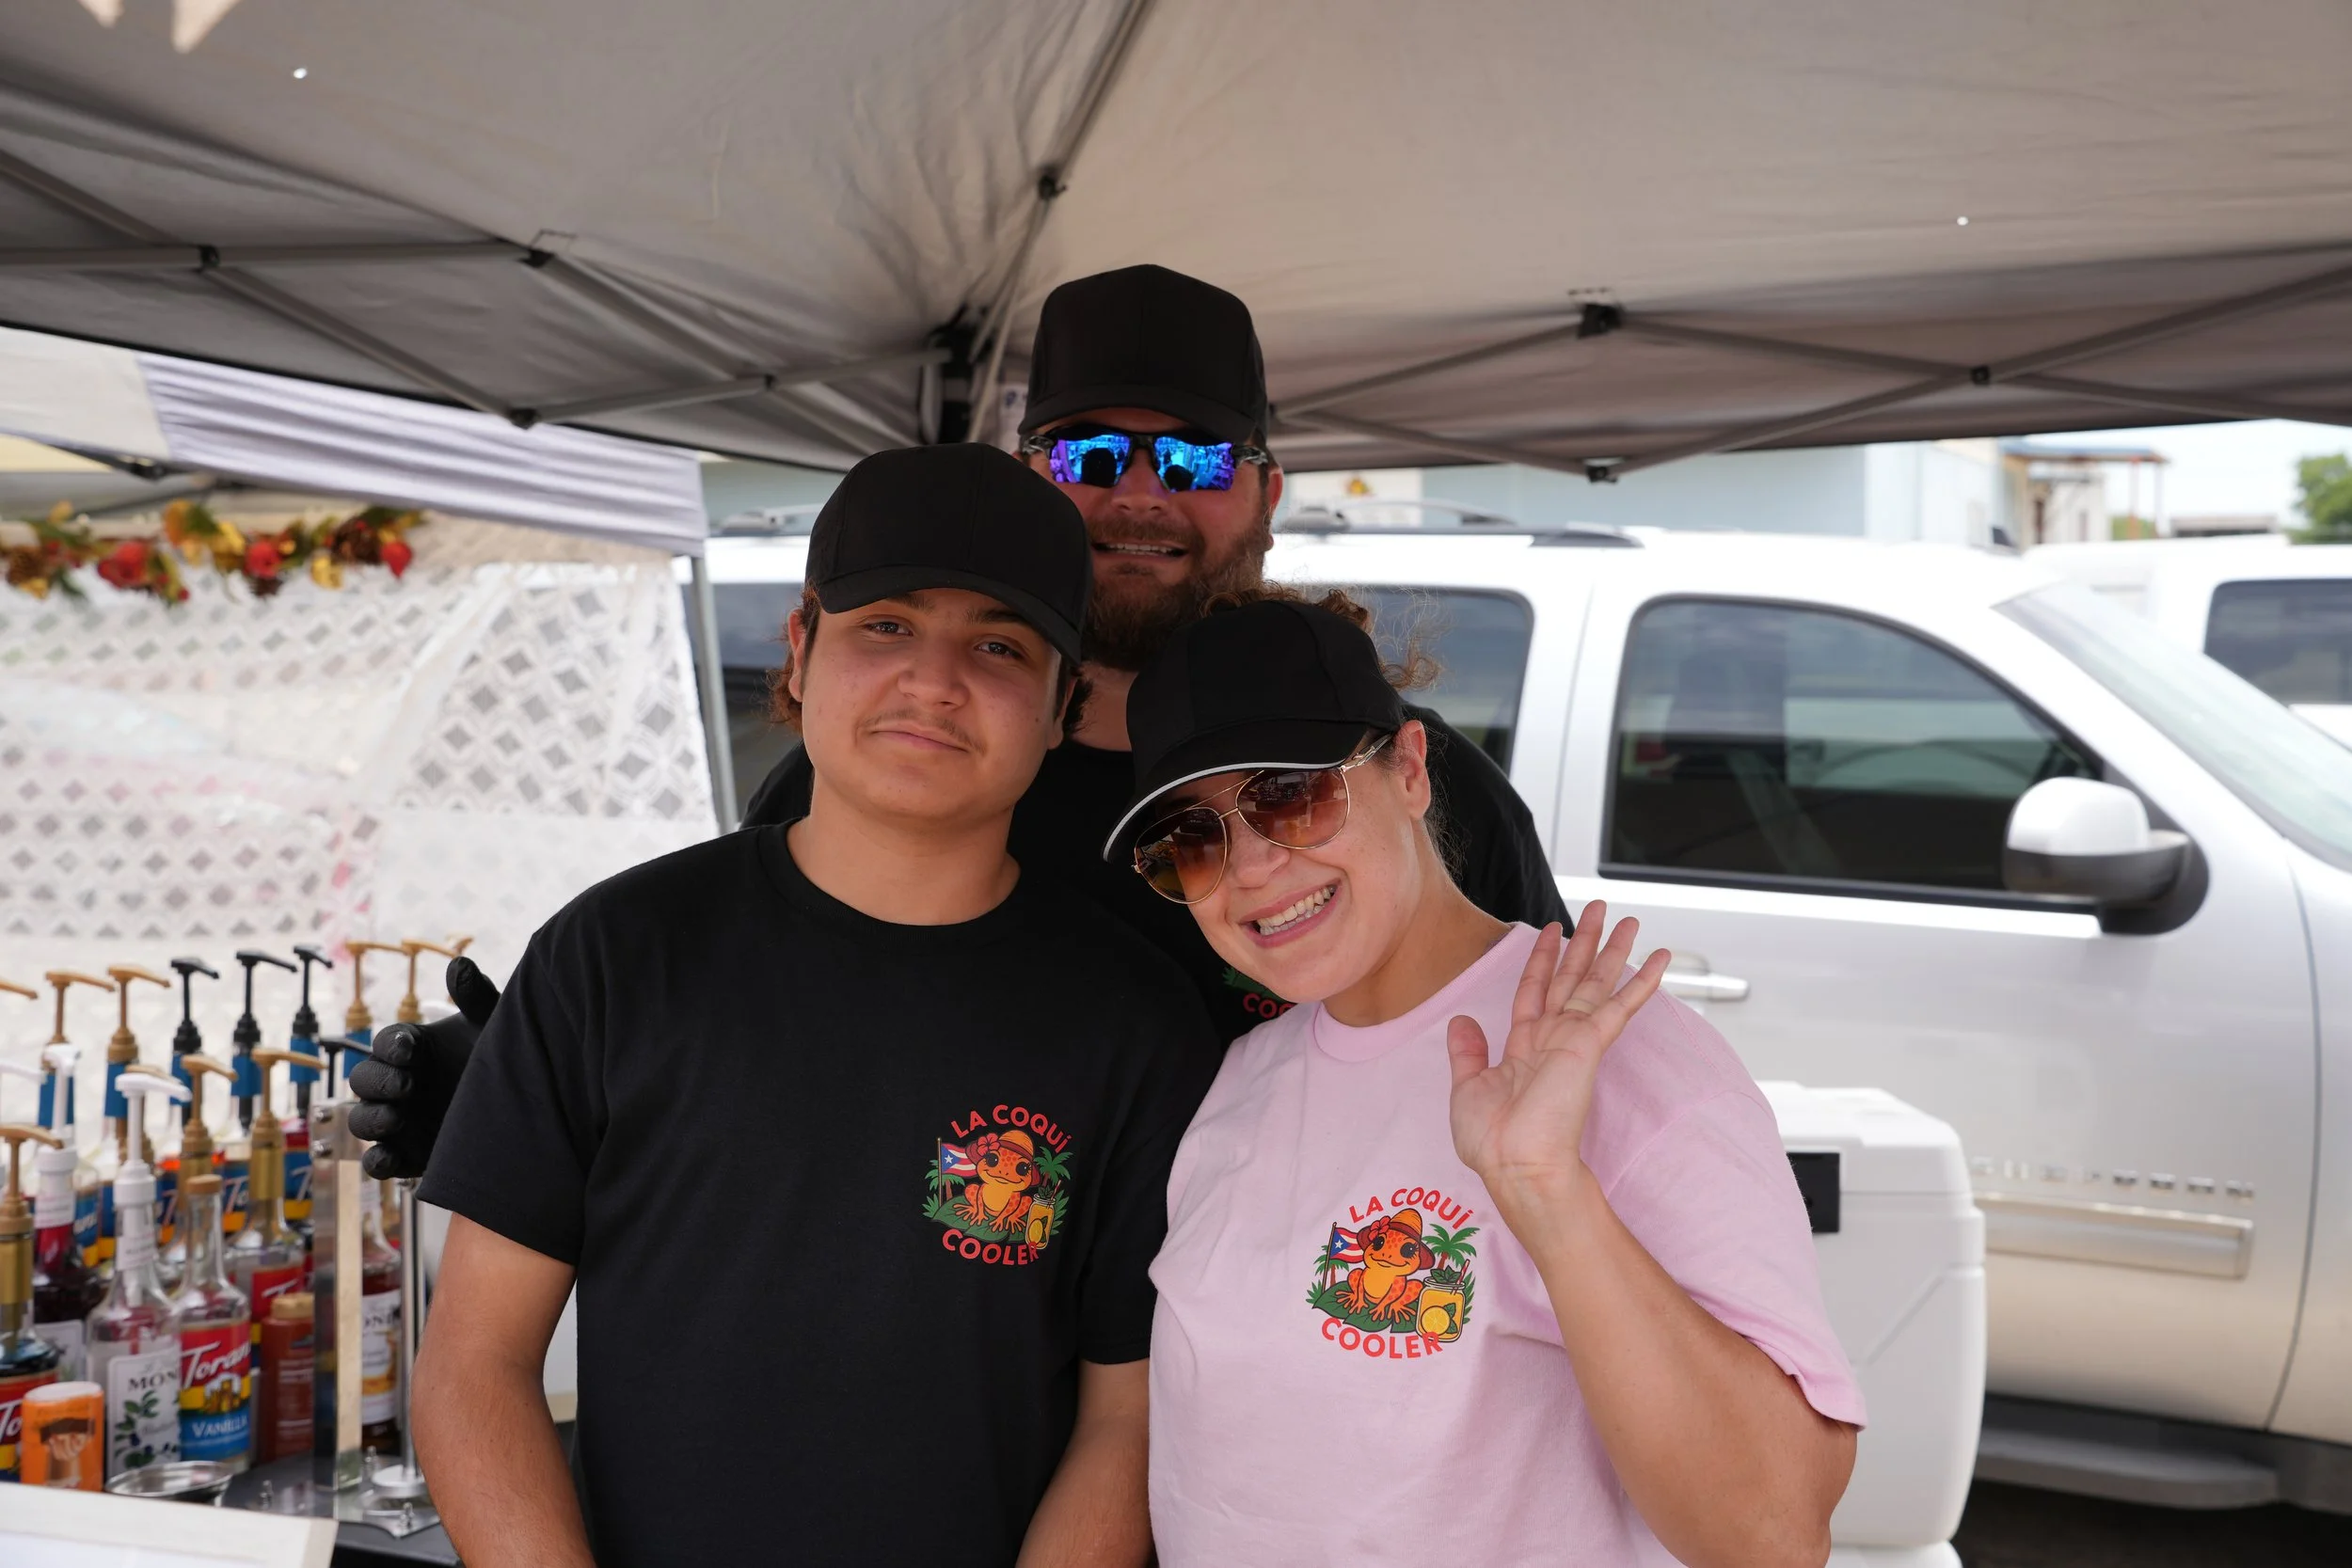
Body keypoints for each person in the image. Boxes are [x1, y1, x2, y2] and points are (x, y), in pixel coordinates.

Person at [352, 261, 1565, 1166]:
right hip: (952, 1407)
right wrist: (544, 1090)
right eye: (1090, 455)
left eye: (1195, 459)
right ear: (1032, 474)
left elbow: (1554, 1079)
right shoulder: (904, 761)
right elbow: (742, 1015)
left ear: (1267, 493)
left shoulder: (1397, 787)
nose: (1140, 494)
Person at [410, 445, 1216, 1568]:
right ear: (798, 653)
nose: (932, 680)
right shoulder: (616, 953)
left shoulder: (1135, 1020)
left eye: (996, 645)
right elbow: (473, 1362)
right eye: (884, 624)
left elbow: (1125, 1420)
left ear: (1062, 706)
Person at [1111, 593, 1863, 1567]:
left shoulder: (1620, 1056)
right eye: (1194, 837)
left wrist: (1547, 1188)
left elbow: (1770, 1534)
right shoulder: (1242, 1079)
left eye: (1290, 792)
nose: (1251, 865)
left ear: (1412, 769)